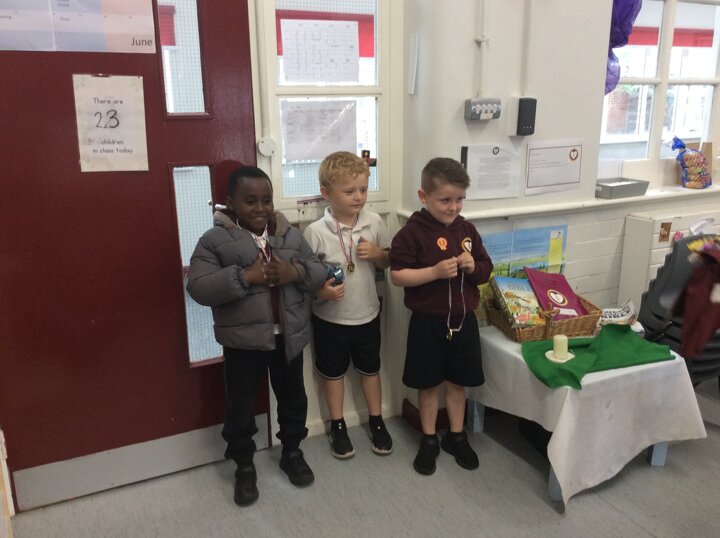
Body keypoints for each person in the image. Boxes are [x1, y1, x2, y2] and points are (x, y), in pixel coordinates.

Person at [187, 165, 326, 506]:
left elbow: (319, 270)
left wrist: (294, 271)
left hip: (287, 339)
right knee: (241, 405)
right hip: (243, 344)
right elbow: (198, 286)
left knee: (293, 399)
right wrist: (245, 277)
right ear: (231, 202)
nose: (260, 208)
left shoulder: (289, 235)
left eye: (266, 200)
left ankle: (292, 452)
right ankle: (244, 465)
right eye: (250, 201)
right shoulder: (214, 240)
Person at [389, 157, 493, 476]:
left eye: (459, 199)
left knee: (459, 384)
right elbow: (398, 276)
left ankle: (457, 436)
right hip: (428, 325)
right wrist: (433, 272)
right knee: (429, 385)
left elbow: (486, 270)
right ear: (424, 196)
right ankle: (429, 438)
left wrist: (474, 267)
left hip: (464, 322)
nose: (453, 207)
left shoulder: (468, 230)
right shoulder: (411, 233)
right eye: (445, 200)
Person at [303, 151, 393, 459]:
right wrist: (321, 293)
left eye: (363, 190)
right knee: (333, 374)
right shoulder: (315, 232)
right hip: (329, 318)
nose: (358, 197)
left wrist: (378, 254)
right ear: (326, 193)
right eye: (349, 191)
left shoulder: (374, 222)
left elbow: (388, 260)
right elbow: (306, 279)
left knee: (371, 369)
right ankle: (338, 425)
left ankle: (377, 420)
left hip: (367, 314)